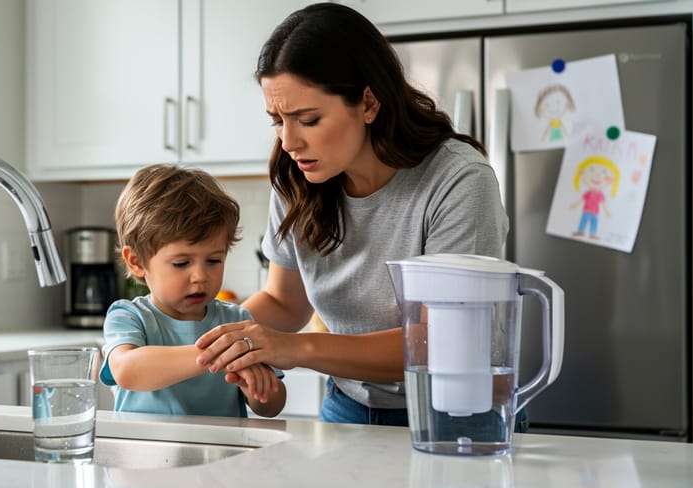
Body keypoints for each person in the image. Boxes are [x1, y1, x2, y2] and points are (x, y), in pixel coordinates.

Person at [194, 3, 511, 427]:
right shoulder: (296, 178)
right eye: (277, 120)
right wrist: (204, 337)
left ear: (368, 102)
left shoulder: (458, 180)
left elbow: (442, 344)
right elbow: (284, 302)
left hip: (456, 418)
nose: (288, 141)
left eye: (307, 119)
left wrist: (296, 348)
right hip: (347, 409)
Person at [99, 164, 286, 418]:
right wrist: (217, 353)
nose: (200, 276)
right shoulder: (129, 316)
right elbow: (126, 370)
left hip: (223, 452)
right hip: (143, 454)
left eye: (214, 261)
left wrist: (257, 388)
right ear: (137, 262)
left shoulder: (237, 322)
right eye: (181, 263)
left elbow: (272, 405)